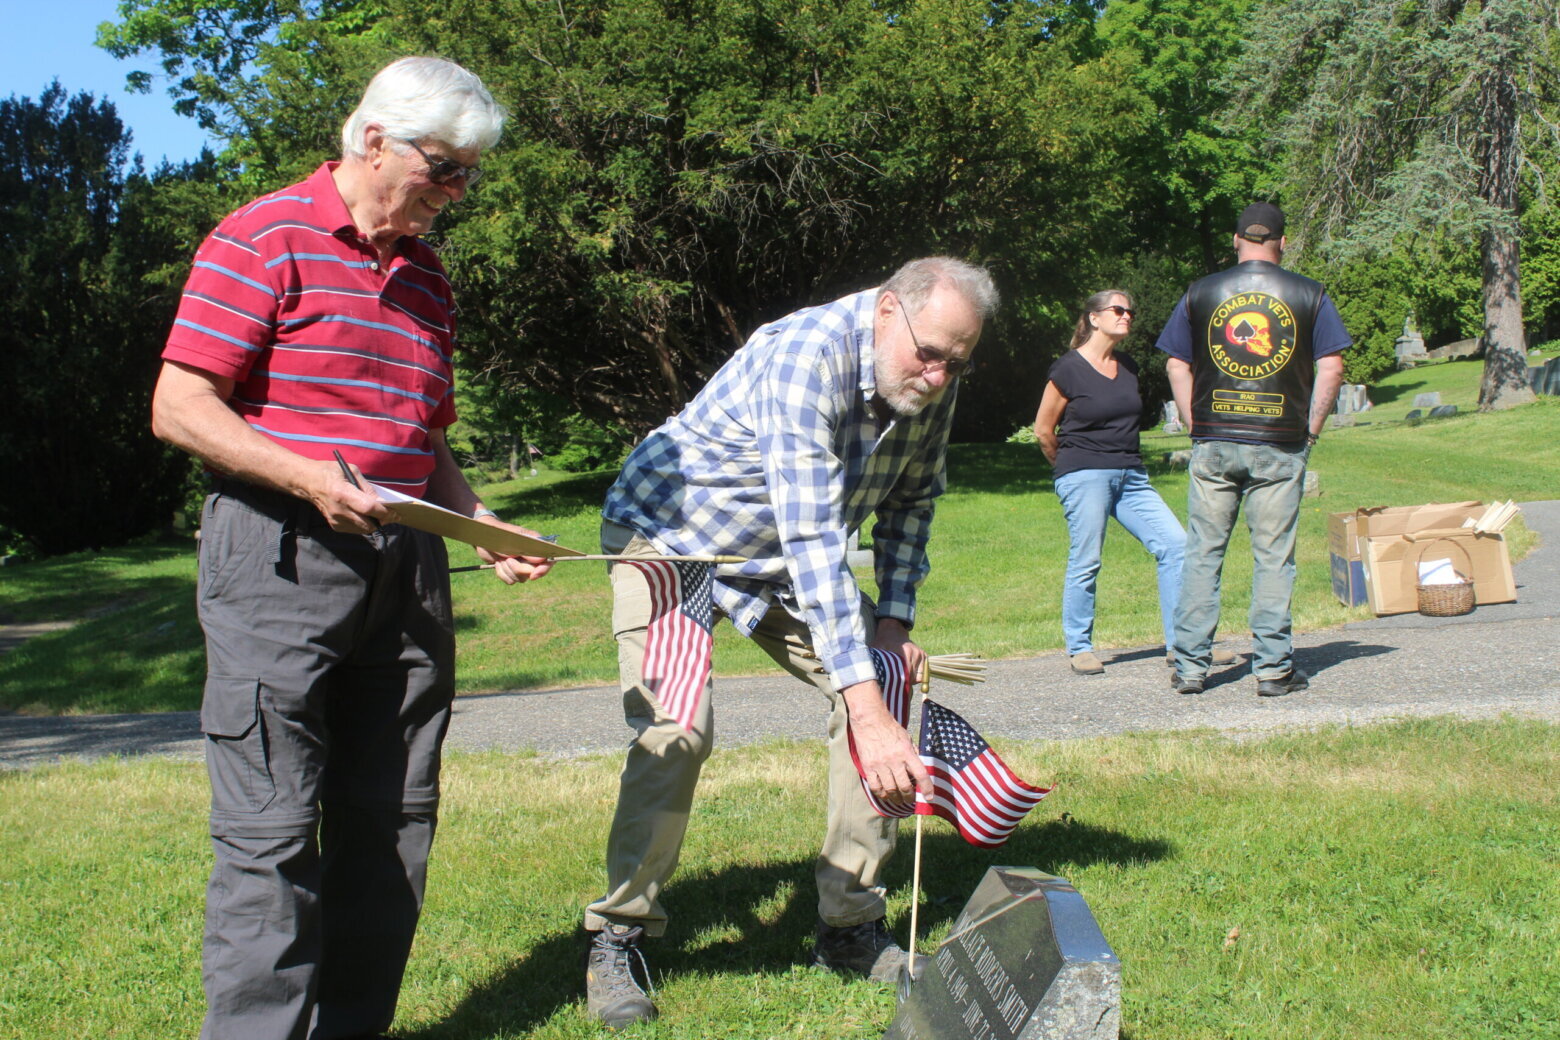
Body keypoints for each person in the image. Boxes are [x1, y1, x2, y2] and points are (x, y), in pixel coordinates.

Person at [150, 57, 553, 1040]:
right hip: (279, 553)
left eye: (469, 175)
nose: (457, 192)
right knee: (272, 829)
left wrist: (478, 517)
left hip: (406, 567)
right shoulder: (264, 236)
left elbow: (425, 433)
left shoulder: (426, 275)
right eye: (445, 167)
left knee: (390, 820)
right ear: (372, 139)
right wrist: (308, 476)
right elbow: (178, 404)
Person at [582, 257, 998, 1028]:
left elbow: (911, 505)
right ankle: (617, 935)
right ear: (885, 312)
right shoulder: (806, 356)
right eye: (929, 354)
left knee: (886, 681)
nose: (939, 377)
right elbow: (813, 536)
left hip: (774, 561)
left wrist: (894, 630)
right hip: (673, 539)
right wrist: (865, 709)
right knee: (679, 730)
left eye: (956, 361)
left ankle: (849, 926)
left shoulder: (928, 380)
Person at [1156, 202, 1349, 697]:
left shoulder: (1201, 292)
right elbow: (1332, 366)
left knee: (1202, 554)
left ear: (1235, 239)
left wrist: (1195, 420)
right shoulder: (1310, 293)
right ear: (1283, 243)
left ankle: (1191, 668)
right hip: (1280, 441)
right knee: (1273, 558)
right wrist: (1311, 430)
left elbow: (1177, 363)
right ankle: (1272, 669)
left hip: (1216, 438)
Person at [1033, 290, 1236, 677]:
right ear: (1094, 318)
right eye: (1118, 310)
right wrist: (1070, 471)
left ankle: (1184, 645)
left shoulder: (1127, 366)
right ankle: (1079, 647)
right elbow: (1043, 430)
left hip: (1131, 474)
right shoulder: (1067, 369)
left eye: (1130, 311)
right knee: (1087, 558)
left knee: (1177, 546)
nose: (1127, 316)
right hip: (1084, 472)